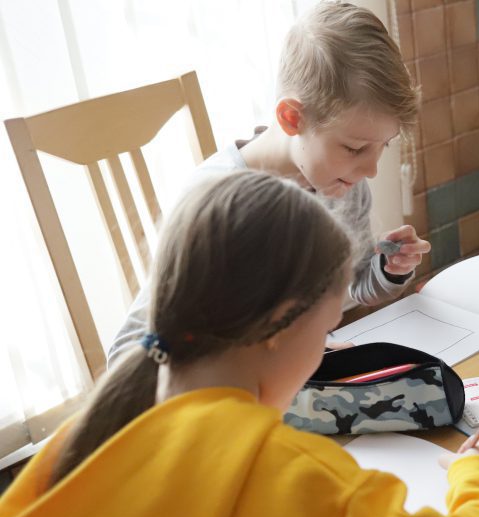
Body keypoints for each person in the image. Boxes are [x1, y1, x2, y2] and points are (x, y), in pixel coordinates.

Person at [0, 171, 479, 517]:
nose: (329, 350)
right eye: (328, 331)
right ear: (279, 325)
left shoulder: (77, 443)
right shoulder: (303, 482)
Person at [108, 0, 429, 362]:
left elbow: (350, 286)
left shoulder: (340, 185)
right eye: (355, 148)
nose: (371, 169)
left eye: (383, 146)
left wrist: (386, 271)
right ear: (292, 118)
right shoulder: (217, 204)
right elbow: (129, 350)